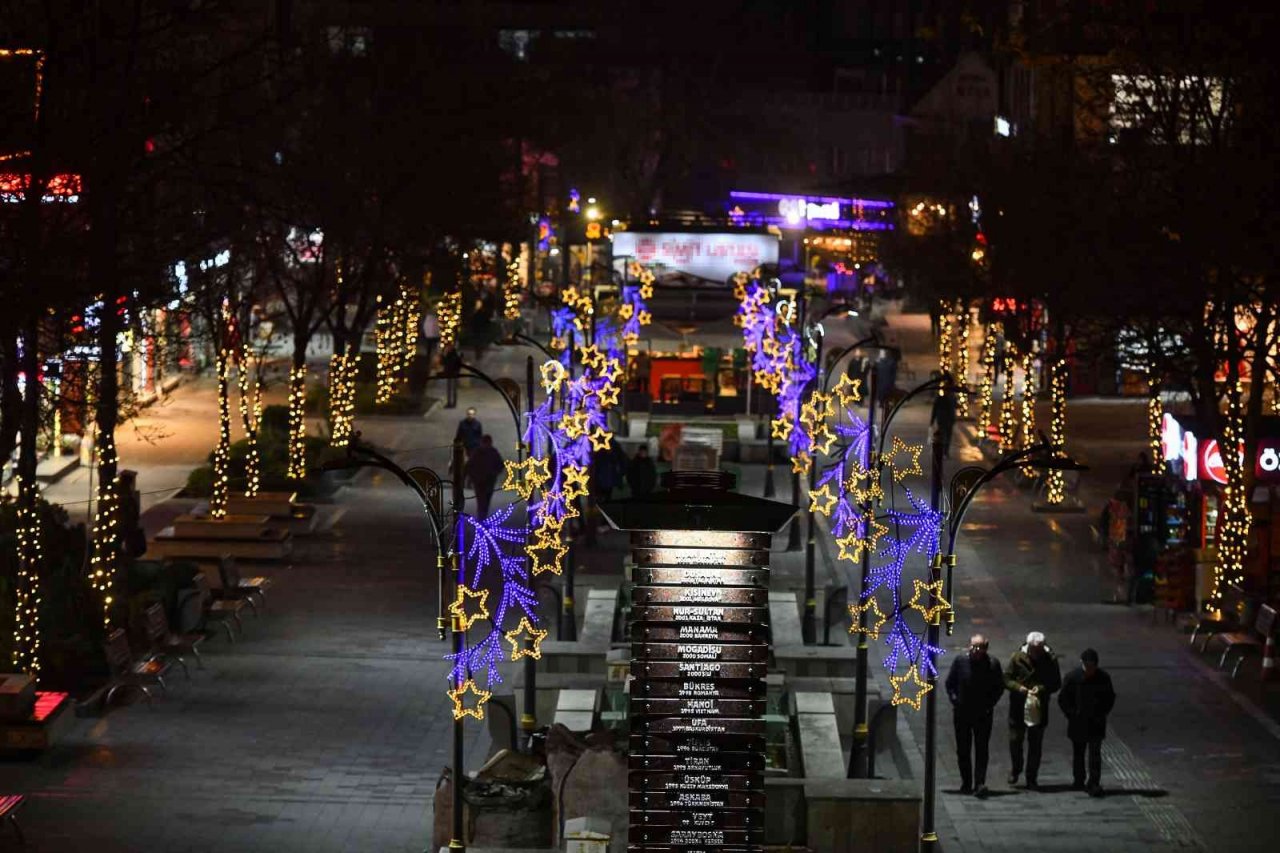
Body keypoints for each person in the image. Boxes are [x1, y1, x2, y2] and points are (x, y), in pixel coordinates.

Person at [945, 634, 1005, 796]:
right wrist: (955, 700)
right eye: (973, 646)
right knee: (963, 749)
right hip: (962, 713)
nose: (975, 650)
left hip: (982, 713)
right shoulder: (960, 661)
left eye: (979, 647)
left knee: (981, 748)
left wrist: (989, 704)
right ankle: (966, 782)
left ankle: (979, 782)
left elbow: (999, 687)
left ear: (985, 648)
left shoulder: (992, 664)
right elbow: (950, 684)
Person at [1004, 631, 1062, 790]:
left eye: (1039, 650)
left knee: (1035, 744)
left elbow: (1056, 683)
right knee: (1015, 740)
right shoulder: (1017, 657)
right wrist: (1018, 688)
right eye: (1033, 650)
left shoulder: (1050, 660)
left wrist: (1041, 688)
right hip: (1018, 706)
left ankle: (1032, 777)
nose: (1036, 653)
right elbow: (1007, 679)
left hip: (1039, 707)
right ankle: (1016, 769)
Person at [1058, 648, 1116, 797]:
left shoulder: (1103, 678)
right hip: (1078, 722)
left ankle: (1094, 781)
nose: (1089, 669)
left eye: (1092, 666)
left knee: (1095, 753)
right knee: (1078, 752)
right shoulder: (1073, 678)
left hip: (1096, 722)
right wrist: (1072, 714)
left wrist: (1102, 713)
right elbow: (1063, 699)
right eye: (1086, 665)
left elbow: (1109, 698)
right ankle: (1079, 779)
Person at [464, 435, 503, 518]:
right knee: (483, 501)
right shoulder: (488, 452)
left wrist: (470, 478)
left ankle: (482, 517)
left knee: (483, 501)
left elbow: (469, 466)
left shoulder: (481, 452)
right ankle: (482, 517)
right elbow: (469, 467)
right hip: (482, 481)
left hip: (484, 481)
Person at [930, 380, 958, 459]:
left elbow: (935, 409)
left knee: (945, 436)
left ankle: (944, 452)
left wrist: (932, 420)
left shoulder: (944, 397)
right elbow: (935, 409)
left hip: (945, 419)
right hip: (945, 420)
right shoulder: (949, 398)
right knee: (945, 436)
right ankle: (944, 452)